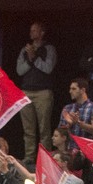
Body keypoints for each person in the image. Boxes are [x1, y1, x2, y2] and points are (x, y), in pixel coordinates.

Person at [15, 22, 58, 167]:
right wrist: (30, 58)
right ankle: (29, 156)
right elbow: (19, 70)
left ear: (42, 32)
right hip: (26, 91)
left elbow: (48, 68)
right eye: (31, 30)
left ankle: (45, 156)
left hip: (43, 92)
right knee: (28, 128)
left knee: (44, 127)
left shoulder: (49, 49)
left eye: (35, 30)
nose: (31, 33)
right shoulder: (24, 50)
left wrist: (35, 58)